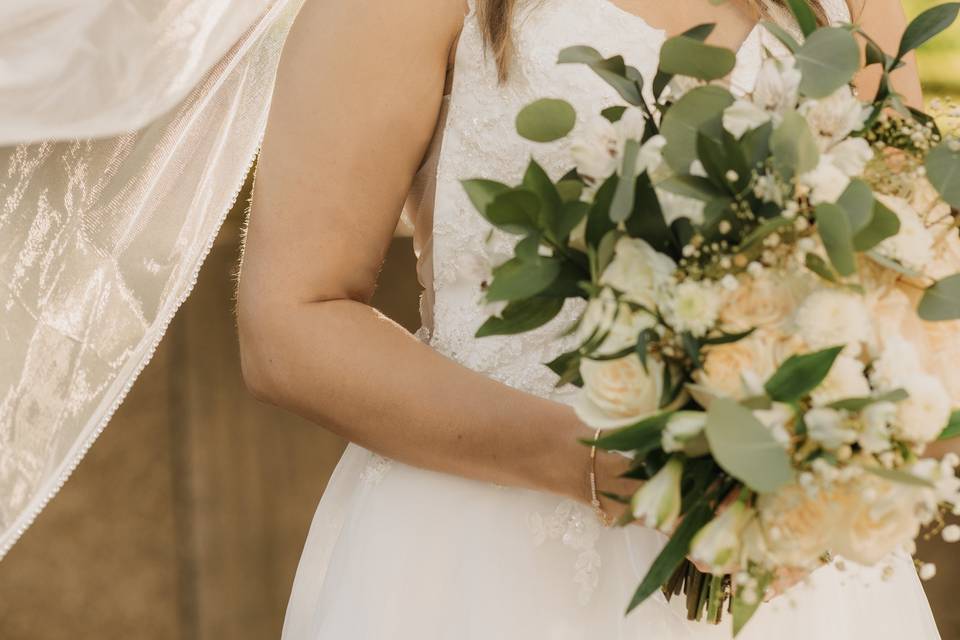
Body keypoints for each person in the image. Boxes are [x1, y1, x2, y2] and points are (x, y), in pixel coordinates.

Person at [238, 0, 940, 637]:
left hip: (795, 576)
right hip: (485, 567)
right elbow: (290, 324)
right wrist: (599, 462)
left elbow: (919, 267)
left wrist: (840, 443)